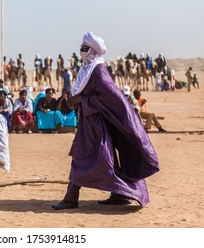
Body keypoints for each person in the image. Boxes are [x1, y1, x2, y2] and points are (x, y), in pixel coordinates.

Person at [52, 32, 159, 210]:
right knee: (102, 159)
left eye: (84, 48)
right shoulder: (87, 69)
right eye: (81, 48)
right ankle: (120, 194)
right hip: (88, 121)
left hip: (95, 124)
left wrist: (81, 100)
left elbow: (110, 96)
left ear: (93, 50)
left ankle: (71, 198)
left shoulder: (99, 71)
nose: (81, 51)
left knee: (83, 157)